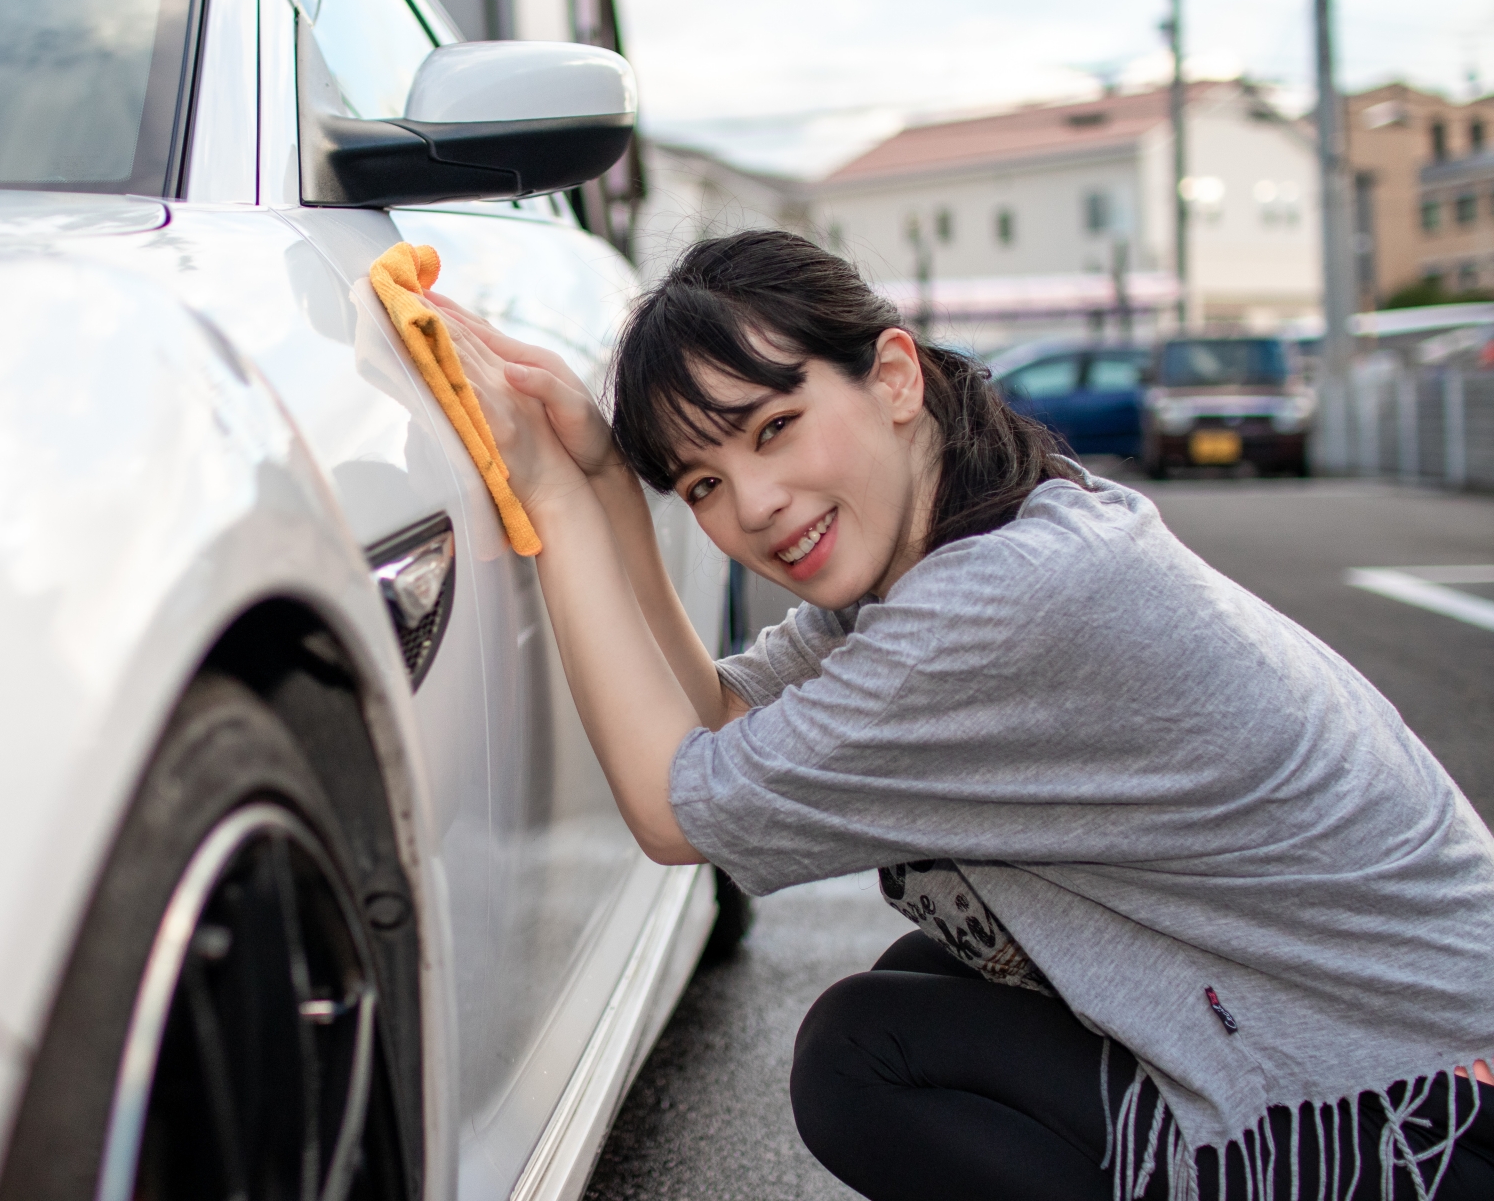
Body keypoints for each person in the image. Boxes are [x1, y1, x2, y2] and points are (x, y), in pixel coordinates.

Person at [430, 230, 1494, 1201]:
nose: (751, 504)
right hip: (1404, 1050)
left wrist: (558, 506)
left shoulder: (995, 603)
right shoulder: (977, 535)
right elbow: (719, 713)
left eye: (777, 426)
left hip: (1429, 1108)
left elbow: (678, 809)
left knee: (865, 1055)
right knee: (934, 984)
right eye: (704, 482)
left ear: (893, 376)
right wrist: (615, 483)